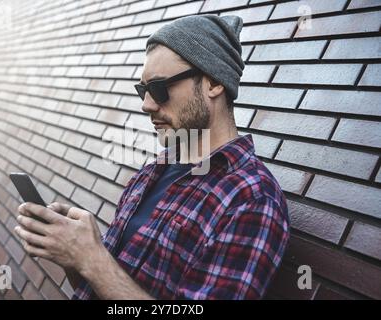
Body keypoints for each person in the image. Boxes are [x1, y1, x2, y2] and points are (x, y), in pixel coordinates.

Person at [15, 14, 290, 300]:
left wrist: (91, 260)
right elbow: (105, 289)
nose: (147, 105)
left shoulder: (252, 198)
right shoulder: (150, 174)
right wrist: (72, 253)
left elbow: (101, 270)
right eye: (143, 90)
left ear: (213, 83)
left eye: (159, 88)